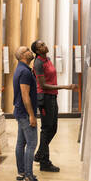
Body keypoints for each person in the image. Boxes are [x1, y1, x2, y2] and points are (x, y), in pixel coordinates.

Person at [31, 40, 78, 172]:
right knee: (47, 129)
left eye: (44, 44)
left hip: (52, 97)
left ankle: (40, 154)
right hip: (45, 98)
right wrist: (65, 86)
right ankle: (44, 162)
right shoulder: (38, 63)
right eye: (41, 45)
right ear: (37, 51)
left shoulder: (48, 59)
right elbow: (44, 85)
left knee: (53, 128)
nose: (44, 46)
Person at [13, 46, 45, 181]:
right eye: (27, 50)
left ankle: (21, 173)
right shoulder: (25, 72)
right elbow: (25, 96)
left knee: (21, 143)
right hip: (25, 113)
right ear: (22, 55)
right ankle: (28, 177)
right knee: (32, 144)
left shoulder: (21, 69)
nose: (30, 51)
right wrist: (32, 115)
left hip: (20, 112)